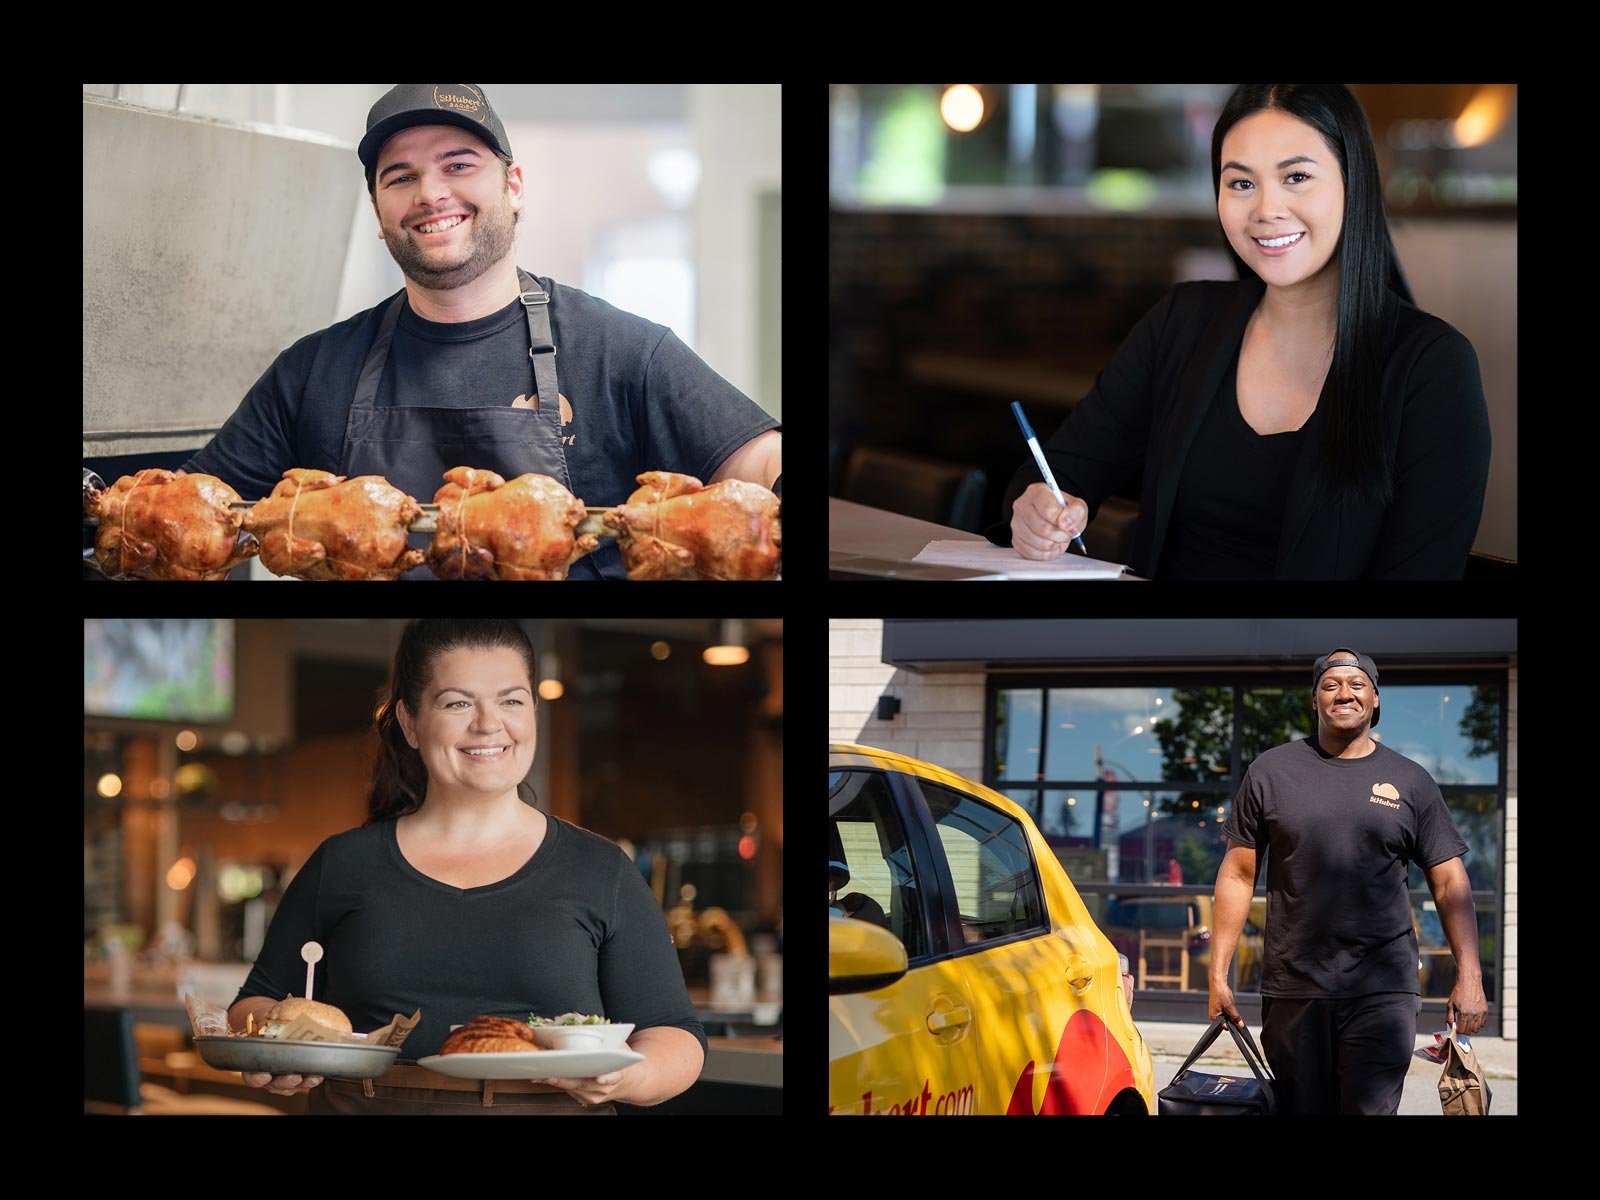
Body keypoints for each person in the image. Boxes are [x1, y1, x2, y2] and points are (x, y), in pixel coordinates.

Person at [184, 84, 781, 579]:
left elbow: (758, 462)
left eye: (458, 165)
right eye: (400, 177)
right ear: (378, 214)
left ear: (513, 185)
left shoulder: (621, 351)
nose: (430, 193)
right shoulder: (313, 371)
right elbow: (194, 507)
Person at [994, 84, 1490, 579]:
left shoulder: (1431, 366)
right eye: (1241, 183)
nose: (1266, 210)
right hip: (1156, 650)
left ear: (1353, 182)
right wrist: (1036, 508)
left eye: (1296, 176)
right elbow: (1056, 473)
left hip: (1320, 658)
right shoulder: (1181, 322)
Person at [228, 618, 706, 1113]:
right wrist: (278, 1050)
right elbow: (255, 1002)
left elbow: (676, 1036)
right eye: (457, 703)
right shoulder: (343, 862)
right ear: (410, 723)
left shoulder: (602, 869)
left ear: (534, 714)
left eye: (512, 700)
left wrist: (626, 1076)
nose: (487, 723)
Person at [1206, 649, 1488, 1115]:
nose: (1344, 693)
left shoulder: (1410, 780)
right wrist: (1218, 975)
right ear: (1314, 699)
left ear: (1375, 700)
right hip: (1294, 986)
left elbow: (1449, 881)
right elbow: (1237, 874)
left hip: (1383, 988)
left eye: (1357, 684)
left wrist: (1470, 977)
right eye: (1331, 684)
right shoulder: (1271, 772)